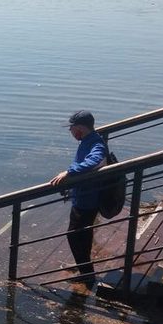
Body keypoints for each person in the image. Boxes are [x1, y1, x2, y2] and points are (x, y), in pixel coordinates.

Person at [50, 110, 107, 287]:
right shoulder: (89, 140)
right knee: (83, 234)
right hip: (82, 195)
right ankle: (83, 266)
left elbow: (95, 161)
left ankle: (87, 274)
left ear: (81, 128)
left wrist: (69, 172)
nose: (71, 132)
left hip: (87, 200)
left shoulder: (96, 144)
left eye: (72, 129)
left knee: (74, 235)